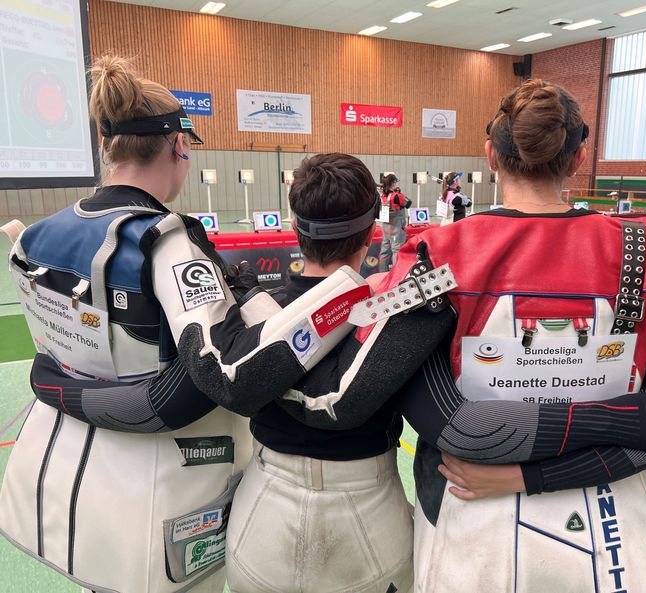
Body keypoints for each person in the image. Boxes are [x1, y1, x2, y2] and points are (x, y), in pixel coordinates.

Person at [275, 80, 646, 593]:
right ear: (577, 158)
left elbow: (354, 385)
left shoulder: (438, 254)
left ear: (491, 157)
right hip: (613, 517)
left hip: (474, 518)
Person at [0, 57, 371, 593]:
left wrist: (53, 386)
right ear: (179, 146)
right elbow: (219, 379)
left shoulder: (38, 234)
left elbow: (53, 359)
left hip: (68, 492)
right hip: (161, 498)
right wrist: (289, 309)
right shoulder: (166, 240)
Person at [224, 153, 413, 593]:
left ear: (295, 231)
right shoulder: (396, 313)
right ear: (372, 231)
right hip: (369, 521)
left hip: (260, 520)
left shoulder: (254, 311)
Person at [379, 173, 412, 272]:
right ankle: (396, 273)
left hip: (385, 229)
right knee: (396, 250)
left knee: (384, 251)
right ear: (393, 183)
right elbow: (409, 203)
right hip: (396, 230)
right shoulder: (397, 196)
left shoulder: (382, 195)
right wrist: (399, 193)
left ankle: (382, 273)